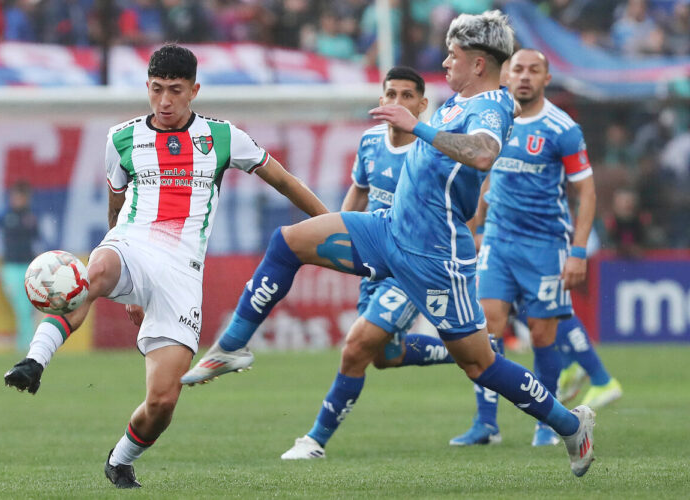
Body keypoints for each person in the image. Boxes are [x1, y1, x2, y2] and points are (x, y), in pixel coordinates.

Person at [182, 12, 596, 477]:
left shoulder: (491, 108)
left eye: (453, 55)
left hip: (434, 255)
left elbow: (482, 154)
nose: (445, 62)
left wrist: (414, 124)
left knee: (480, 365)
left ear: (479, 63)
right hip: (388, 229)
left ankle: (569, 423)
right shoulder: (460, 100)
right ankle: (231, 347)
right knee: (289, 241)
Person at [3, 44, 329, 489]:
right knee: (90, 275)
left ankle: (120, 459)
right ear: (147, 88)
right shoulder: (121, 138)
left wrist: (333, 224)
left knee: (162, 402)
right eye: (156, 90)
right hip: (132, 244)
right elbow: (116, 212)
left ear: (194, 89)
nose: (165, 102)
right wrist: (121, 280)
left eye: (175, 91)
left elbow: (285, 181)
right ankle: (33, 362)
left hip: (181, 273)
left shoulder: (224, 137)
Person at [278, 66, 465, 459]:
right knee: (384, 356)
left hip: (410, 265)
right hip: (375, 260)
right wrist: (337, 239)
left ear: (422, 104)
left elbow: (460, 207)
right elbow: (358, 196)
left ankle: (314, 441)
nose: (397, 102)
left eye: (406, 96)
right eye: (390, 95)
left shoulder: (429, 151)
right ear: (381, 100)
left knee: (356, 346)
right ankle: (464, 349)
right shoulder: (369, 142)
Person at [448, 48, 600, 448]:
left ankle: (547, 426)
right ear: (506, 75)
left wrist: (578, 250)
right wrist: (475, 229)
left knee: (541, 334)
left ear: (547, 78)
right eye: (518, 69)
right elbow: (481, 175)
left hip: (545, 245)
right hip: (497, 240)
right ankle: (486, 424)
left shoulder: (562, 128)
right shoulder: (494, 119)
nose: (526, 76)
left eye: (535, 70)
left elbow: (585, 190)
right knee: (486, 328)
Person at [0, 180, 42, 351]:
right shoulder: (4, 215)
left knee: (27, 308)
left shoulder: (31, 217)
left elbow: (40, 241)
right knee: (21, 305)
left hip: (29, 266)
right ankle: (28, 345)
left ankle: (27, 345)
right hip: (10, 266)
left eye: (21, 197)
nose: (17, 200)